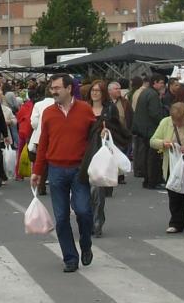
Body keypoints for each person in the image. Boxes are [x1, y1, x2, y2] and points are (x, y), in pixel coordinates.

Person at [31, 73, 97, 273]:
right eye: (52, 88)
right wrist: (37, 171)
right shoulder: (49, 113)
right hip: (56, 170)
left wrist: (102, 131)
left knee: (84, 211)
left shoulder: (85, 110)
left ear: (69, 89)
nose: (54, 92)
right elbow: (43, 144)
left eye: (57, 88)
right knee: (61, 218)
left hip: (79, 170)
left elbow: (94, 138)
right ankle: (70, 258)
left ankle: (86, 244)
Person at [82, 80, 130, 237]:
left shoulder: (110, 109)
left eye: (98, 90)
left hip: (101, 153)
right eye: (93, 90)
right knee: (85, 192)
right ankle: (88, 221)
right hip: (84, 153)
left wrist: (107, 131)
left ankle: (97, 222)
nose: (95, 93)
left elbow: (118, 129)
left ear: (103, 93)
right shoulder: (83, 108)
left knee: (98, 191)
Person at [151, 101, 184, 235]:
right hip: (172, 165)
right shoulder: (165, 122)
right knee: (174, 194)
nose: (179, 123)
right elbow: (153, 141)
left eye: (181, 121)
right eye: (176, 121)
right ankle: (175, 223)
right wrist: (164, 143)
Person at [132, 74, 168, 189]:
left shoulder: (145, 92)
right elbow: (154, 113)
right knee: (153, 157)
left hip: (143, 128)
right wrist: (164, 122)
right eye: (161, 82)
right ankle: (153, 181)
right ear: (155, 83)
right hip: (151, 129)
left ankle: (148, 180)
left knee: (148, 156)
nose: (163, 85)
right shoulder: (153, 95)